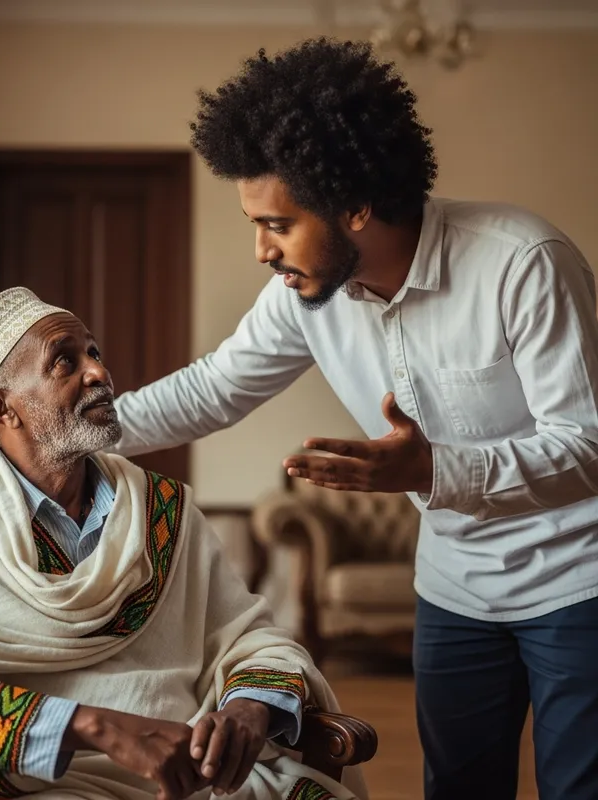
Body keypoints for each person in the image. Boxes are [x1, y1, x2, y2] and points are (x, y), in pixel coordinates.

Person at [110, 37, 598, 800]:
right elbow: (213, 388)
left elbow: (586, 446)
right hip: (455, 592)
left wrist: (435, 468)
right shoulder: (306, 295)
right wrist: (74, 432)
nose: (261, 250)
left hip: (579, 585)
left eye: (276, 223)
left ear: (355, 206)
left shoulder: (522, 262)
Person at [0, 287, 367, 800]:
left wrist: (249, 709)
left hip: (202, 778)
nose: (100, 372)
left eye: (94, 352)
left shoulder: (163, 508)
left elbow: (251, 638)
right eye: (64, 361)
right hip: (38, 783)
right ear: (2, 408)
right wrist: (95, 727)